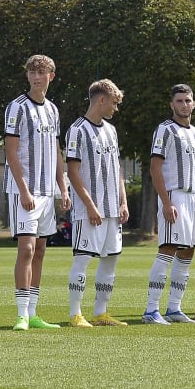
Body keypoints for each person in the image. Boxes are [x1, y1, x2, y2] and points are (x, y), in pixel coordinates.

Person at [4, 55, 70, 330]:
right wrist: (23, 190)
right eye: (32, 71)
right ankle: (20, 314)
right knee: (26, 247)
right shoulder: (16, 107)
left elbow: (56, 152)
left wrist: (62, 189)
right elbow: (10, 150)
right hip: (25, 191)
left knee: (41, 249)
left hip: (46, 191)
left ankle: (32, 312)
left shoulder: (53, 110)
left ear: (51, 76)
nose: (36, 76)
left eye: (41, 72)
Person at [143, 84, 195, 325]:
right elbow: (155, 168)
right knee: (168, 249)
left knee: (188, 251)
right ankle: (151, 310)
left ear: (194, 103)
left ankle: (174, 308)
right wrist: (166, 201)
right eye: (180, 101)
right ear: (172, 104)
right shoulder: (165, 130)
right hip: (175, 196)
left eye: (188, 100)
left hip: (193, 197)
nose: (184, 105)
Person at [64, 79, 130, 327]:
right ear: (101, 100)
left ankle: (101, 313)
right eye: (113, 103)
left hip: (113, 208)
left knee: (110, 258)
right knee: (83, 258)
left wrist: (123, 201)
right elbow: (73, 172)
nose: (115, 108)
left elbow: (118, 167)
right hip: (88, 209)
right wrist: (91, 206)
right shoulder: (77, 130)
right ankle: (75, 314)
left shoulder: (111, 130)